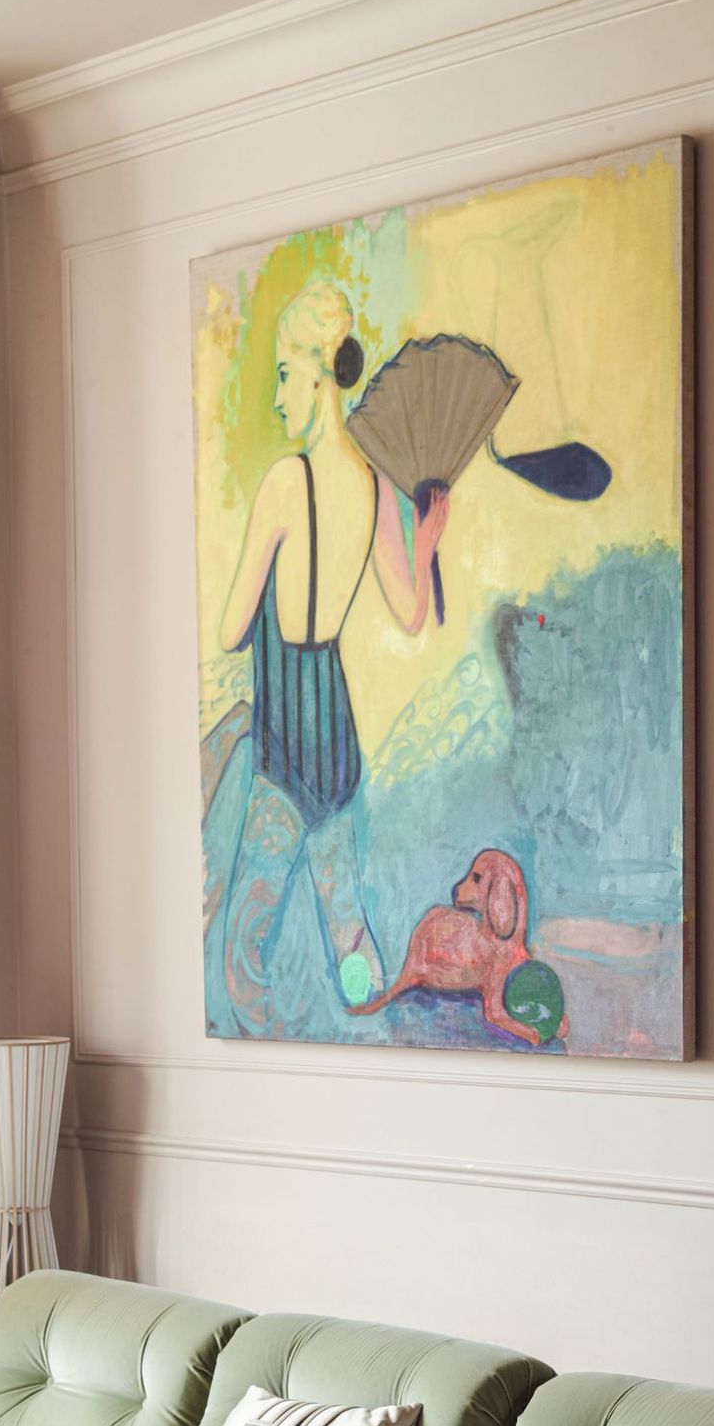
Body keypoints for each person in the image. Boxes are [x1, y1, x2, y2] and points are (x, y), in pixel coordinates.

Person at [215, 279, 448, 1035]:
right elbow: (413, 612)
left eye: (284, 374)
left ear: (318, 372)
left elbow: (228, 630)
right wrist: (430, 535)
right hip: (338, 749)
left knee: (243, 951)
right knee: (352, 944)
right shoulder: (375, 484)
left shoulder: (287, 482)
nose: (278, 396)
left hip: (285, 753)